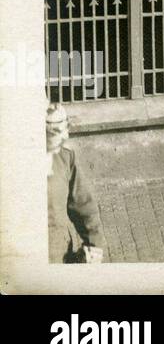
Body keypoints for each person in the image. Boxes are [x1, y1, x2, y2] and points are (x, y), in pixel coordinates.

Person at [46, 103, 106, 264]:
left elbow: (83, 203)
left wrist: (94, 244)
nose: (65, 136)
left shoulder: (65, 157)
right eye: (56, 130)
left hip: (59, 254)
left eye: (66, 127)